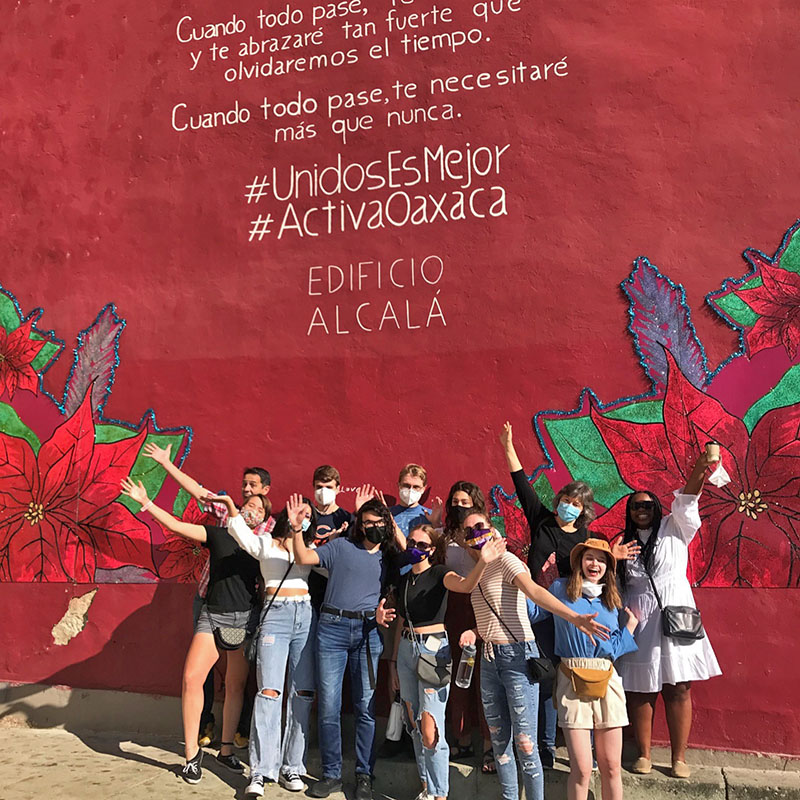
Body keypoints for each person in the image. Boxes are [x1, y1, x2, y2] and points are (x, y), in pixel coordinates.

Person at [120, 476, 263, 785]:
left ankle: (226, 751)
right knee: (191, 678)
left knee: (236, 685)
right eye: (247, 505)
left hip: (243, 620)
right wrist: (146, 502)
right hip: (211, 615)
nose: (252, 509)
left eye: (258, 508)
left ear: (264, 518)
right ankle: (191, 754)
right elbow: (175, 526)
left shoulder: (262, 545)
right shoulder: (218, 534)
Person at [458, 510, 610, 800]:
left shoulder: (507, 561)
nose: (475, 533)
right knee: (499, 741)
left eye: (480, 526)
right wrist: (476, 632)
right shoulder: (474, 571)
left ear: (492, 530)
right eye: (469, 531)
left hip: (517, 656)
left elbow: (535, 592)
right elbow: (489, 610)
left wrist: (574, 617)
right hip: (489, 659)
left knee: (525, 744)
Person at [143, 443, 274, 749]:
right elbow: (199, 493)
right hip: (208, 599)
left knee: (235, 677)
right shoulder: (227, 514)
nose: (245, 490)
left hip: (241, 610)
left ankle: (230, 738)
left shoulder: (266, 526)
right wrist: (165, 463)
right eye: (244, 485)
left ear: (267, 490)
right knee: (200, 671)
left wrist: (237, 513)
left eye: (253, 486)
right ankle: (203, 727)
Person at [616, 452, 722, 779]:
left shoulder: (675, 527)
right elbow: (613, 585)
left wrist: (701, 467)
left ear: (658, 509)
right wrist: (612, 554)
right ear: (629, 512)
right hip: (640, 620)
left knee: (679, 686)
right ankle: (644, 754)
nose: (642, 510)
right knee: (640, 688)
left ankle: (679, 757)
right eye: (636, 506)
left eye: (648, 505)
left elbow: (689, 495)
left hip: (676, 614)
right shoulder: (621, 543)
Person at [499, 421, 598, 767]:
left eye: (574, 503)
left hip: (566, 610)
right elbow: (521, 483)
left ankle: (572, 749)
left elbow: (594, 572)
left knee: (567, 675)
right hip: (534, 605)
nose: (567, 505)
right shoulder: (541, 520)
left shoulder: (585, 538)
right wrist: (509, 446)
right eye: (565, 499)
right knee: (539, 673)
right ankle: (542, 747)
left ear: (583, 509)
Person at [385, 522, 506, 800]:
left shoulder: (440, 573)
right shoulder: (405, 580)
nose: (417, 549)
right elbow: (401, 620)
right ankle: (427, 787)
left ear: (433, 549)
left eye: (423, 545)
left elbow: (464, 586)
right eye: (413, 544)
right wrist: (392, 661)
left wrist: (482, 562)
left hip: (432, 650)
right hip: (405, 648)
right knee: (414, 725)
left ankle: (440, 794)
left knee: (430, 726)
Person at [209, 492, 318, 797]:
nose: (303, 516)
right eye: (298, 511)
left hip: (304, 616)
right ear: (287, 513)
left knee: (302, 692)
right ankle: (261, 771)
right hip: (275, 617)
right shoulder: (266, 541)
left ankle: (292, 766)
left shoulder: (308, 546)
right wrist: (232, 507)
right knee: (269, 692)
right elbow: (239, 531)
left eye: (308, 514)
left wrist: (301, 532)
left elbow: (311, 560)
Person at [291, 498, 402, 800]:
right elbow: (303, 557)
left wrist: (378, 617)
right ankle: (331, 775)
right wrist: (297, 527)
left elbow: (411, 553)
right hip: (332, 630)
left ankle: (364, 775)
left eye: (380, 523)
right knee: (329, 707)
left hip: (368, 634)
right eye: (368, 522)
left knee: (365, 708)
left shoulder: (390, 556)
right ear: (358, 524)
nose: (374, 528)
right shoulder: (341, 548)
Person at [527, 539, 639, 800]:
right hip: (571, 678)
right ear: (579, 561)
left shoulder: (611, 598)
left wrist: (630, 628)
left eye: (601, 560)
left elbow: (611, 648)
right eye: (590, 557)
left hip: (607, 680)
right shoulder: (559, 589)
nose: (595, 564)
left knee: (611, 766)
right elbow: (533, 613)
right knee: (582, 768)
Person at [440, 482, 495, 774]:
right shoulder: (444, 535)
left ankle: (489, 744)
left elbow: (493, 564)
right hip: (455, 606)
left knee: (486, 678)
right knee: (459, 675)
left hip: (484, 604)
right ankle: (461, 738)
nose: (460, 506)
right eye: (456, 501)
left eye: (466, 501)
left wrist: (470, 542)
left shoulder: (488, 533)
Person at [390, 464, 438, 535]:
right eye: (406, 485)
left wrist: (436, 523)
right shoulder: (387, 514)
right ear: (399, 485)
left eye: (416, 487)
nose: (410, 490)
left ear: (423, 489)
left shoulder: (430, 516)